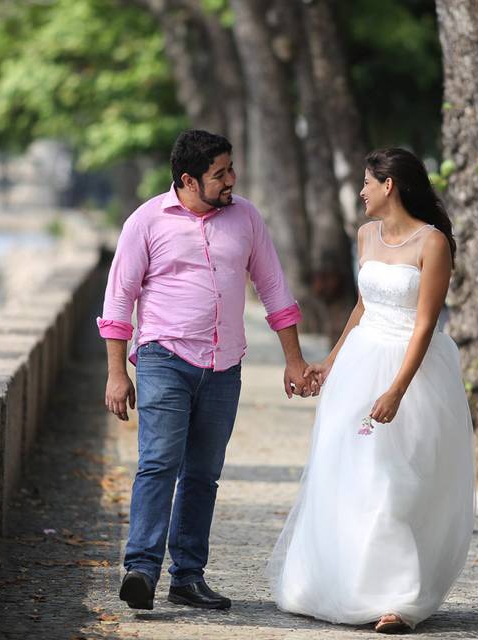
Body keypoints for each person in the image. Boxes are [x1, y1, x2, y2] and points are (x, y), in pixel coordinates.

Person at [99, 129, 315, 611]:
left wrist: (295, 361)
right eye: (219, 174)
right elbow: (118, 300)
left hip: (224, 366)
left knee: (202, 474)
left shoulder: (247, 219)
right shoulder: (146, 222)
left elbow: (275, 290)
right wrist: (117, 373)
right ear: (188, 180)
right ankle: (141, 569)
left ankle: (187, 576)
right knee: (158, 462)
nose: (231, 180)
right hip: (163, 358)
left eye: (230, 169)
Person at [267, 148, 476, 634]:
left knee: (395, 481)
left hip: (411, 370)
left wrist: (397, 390)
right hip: (360, 362)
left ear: (391, 185)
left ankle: (397, 598)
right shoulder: (365, 235)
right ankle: (332, 581)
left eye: (367, 182)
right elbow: (362, 307)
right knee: (349, 474)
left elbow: (426, 324)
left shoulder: (433, 243)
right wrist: (331, 363)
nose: (361, 191)